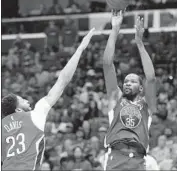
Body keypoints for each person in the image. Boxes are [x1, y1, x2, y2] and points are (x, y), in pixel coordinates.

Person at [1, 28, 96, 171]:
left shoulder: (2, 126)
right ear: (18, 109)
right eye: (22, 100)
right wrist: (80, 49)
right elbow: (62, 81)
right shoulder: (34, 115)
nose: (27, 100)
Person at [103, 10, 156, 170]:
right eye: (126, 81)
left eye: (132, 81)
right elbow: (107, 64)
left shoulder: (147, 104)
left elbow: (151, 77)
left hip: (139, 160)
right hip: (115, 157)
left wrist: (139, 43)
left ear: (141, 88)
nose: (127, 83)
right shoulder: (116, 97)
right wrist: (115, 29)